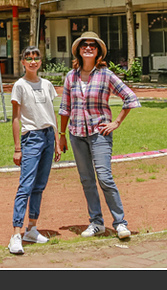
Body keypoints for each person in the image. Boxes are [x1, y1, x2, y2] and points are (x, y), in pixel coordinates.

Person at [58, 31, 139, 241]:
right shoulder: (70, 77)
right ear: (78, 50)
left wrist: (116, 122)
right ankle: (96, 222)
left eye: (92, 45)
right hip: (76, 134)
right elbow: (65, 107)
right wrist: (62, 134)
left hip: (99, 133)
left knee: (104, 177)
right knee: (86, 180)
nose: (88, 48)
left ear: (98, 51)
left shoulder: (106, 75)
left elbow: (129, 97)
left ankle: (120, 223)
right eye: (84, 45)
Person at [8, 45, 62, 255]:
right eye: (28, 58)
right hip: (31, 137)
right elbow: (16, 117)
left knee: (39, 185)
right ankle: (16, 233)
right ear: (22, 62)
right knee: (26, 185)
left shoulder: (47, 84)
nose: (32, 61)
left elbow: (51, 113)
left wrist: (57, 140)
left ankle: (32, 228)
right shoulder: (20, 86)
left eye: (36, 58)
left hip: (48, 136)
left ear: (41, 61)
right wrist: (17, 148)